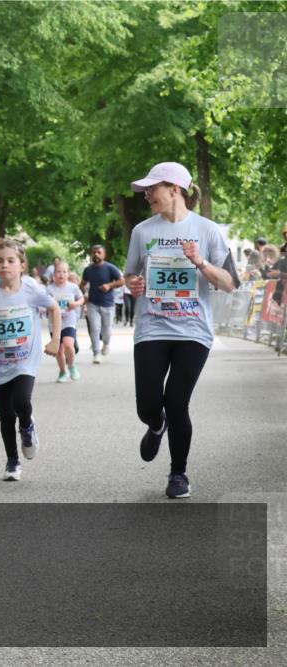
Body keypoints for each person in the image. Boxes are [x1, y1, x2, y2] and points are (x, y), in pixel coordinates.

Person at [125, 161, 235, 499]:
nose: (146, 196)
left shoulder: (208, 230)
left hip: (193, 331)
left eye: (152, 189)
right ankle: (155, 425)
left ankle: (178, 474)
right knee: (147, 405)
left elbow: (230, 282)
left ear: (175, 189)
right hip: (152, 327)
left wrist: (200, 262)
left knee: (176, 401)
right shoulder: (142, 231)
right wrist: (135, 285)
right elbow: (130, 275)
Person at [0, 239, 61, 482]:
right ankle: (12, 461)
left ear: (22, 265)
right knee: (5, 415)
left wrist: (55, 340)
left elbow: (54, 309)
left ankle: (27, 427)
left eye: (10, 261)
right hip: (0, 362)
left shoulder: (31, 289)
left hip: (26, 360)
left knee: (22, 401)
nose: (4, 265)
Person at [80, 244, 124, 363]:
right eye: (94, 252)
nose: (96, 254)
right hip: (92, 304)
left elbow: (122, 281)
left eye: (99, 252)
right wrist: (84, 293)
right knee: (94, 328)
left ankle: (106, 343)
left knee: (107, 330)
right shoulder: (88, 270)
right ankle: (96, 353)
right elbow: (83, 283)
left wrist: (109, 285)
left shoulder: (110, 268)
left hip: (108, 304)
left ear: (104, 254)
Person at [46, 260, 85, 382]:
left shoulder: (73, 287)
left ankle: (72, 366)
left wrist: (75, 304)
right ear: (54, 274)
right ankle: (63, 371)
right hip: (55, 324)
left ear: (68, 274)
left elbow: (82, 298)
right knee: (58, 351)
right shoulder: (49, 289)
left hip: (69, 321)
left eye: (64, 271)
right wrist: (50, 306)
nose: (61, 274)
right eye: (58, 271)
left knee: (68, 344)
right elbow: (43, 304)